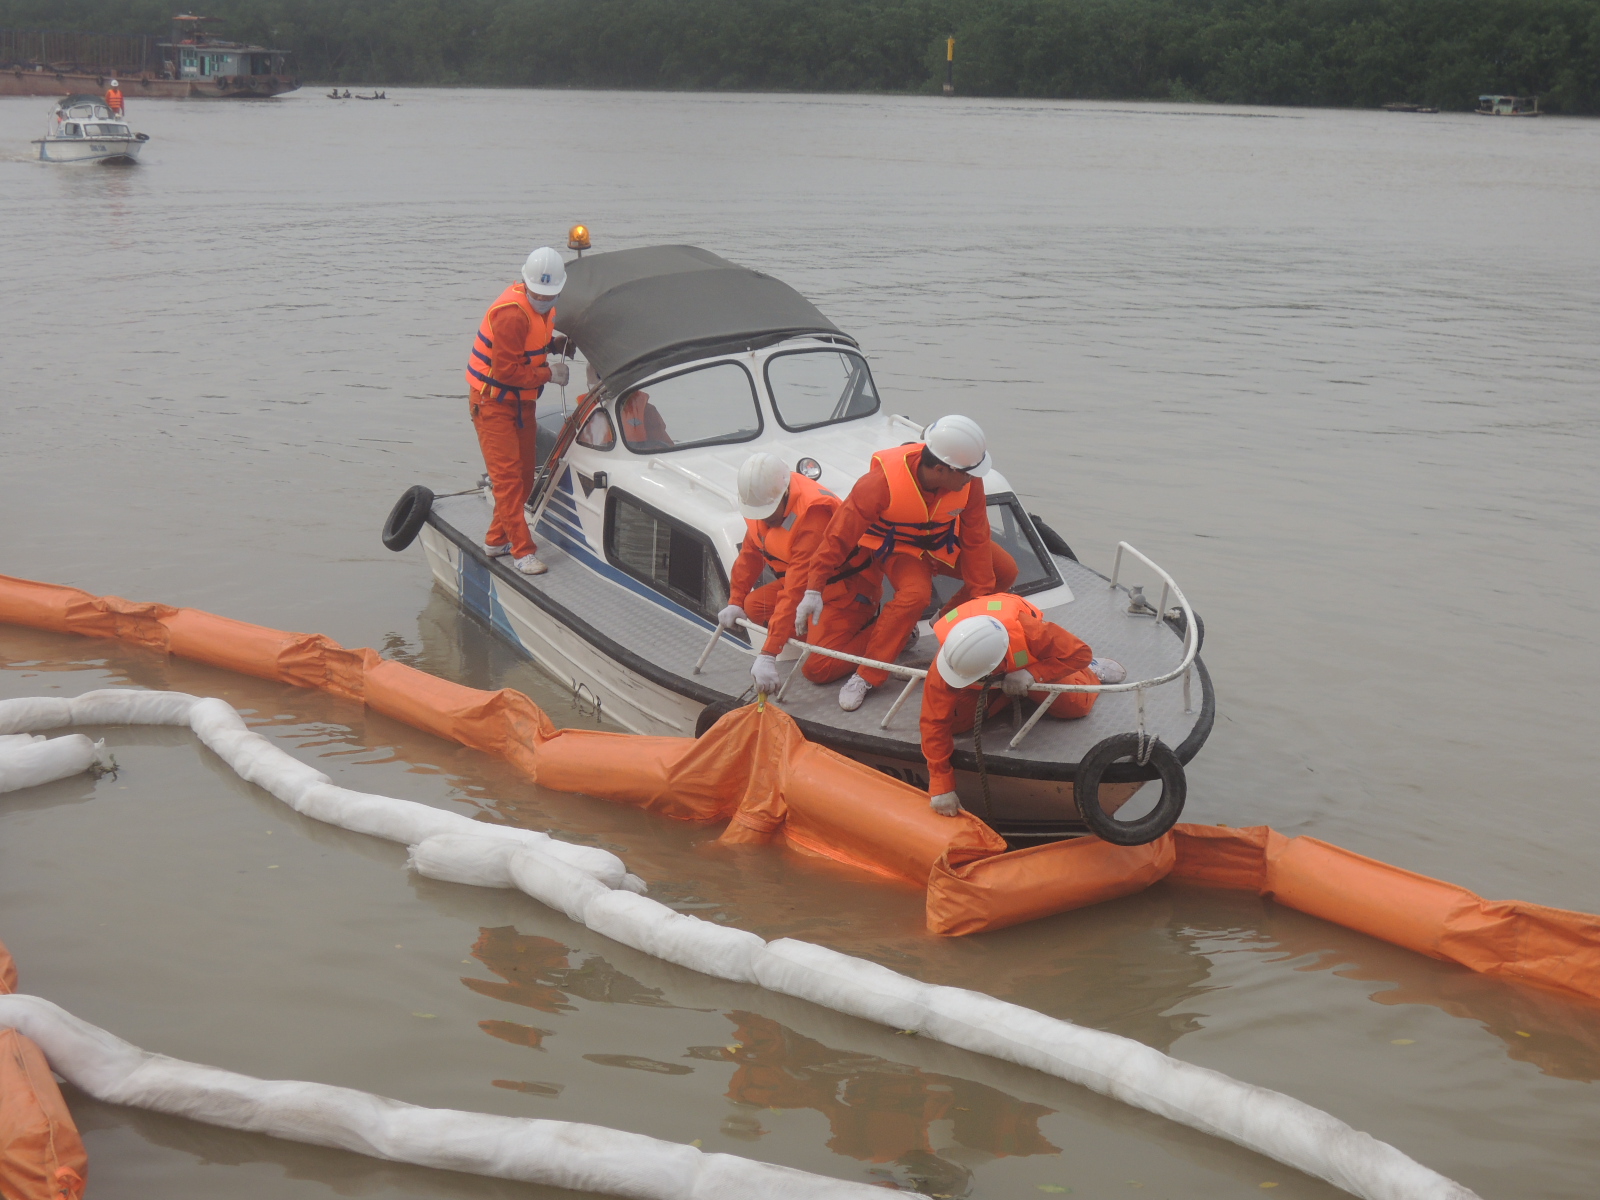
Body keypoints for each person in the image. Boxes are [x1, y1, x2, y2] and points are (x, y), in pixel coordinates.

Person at [799, 415, 1017, 712]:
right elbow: (837, 538)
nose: (973, 478)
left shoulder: (969, 479)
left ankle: (945, 620)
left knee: (1004, 572)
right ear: (940, 469)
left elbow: (977, 537)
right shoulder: (878, 484)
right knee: (915, 595)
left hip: (944, 542)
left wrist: (980, 604)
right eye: (967, 474)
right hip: (899, 548)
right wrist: (813, 588)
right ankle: (868, 674)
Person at [921, 594, 1125, 816]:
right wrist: (941, 785)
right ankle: (1008, 695)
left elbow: (1080, 653)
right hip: (994, 673)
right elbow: (934, 720)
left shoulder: (1032, 632)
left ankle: (1090, 673)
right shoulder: (951, 658)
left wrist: (1033, 674)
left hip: (1028, 663)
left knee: (1075, 704)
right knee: (955, 721)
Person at [720, 454, 880, 694]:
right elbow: (750, 555)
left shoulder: (813, 517)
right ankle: (822, 639)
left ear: (785, 494)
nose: (764, 517)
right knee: (753, 606)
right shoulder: (763, 502)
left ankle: (889, 633)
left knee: (818, 668)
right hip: (807, 588)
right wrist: (735, 600)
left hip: (845, 592)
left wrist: (768, 653)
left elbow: (795, 591)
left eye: (768, 511)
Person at [464, 245, 571, 576]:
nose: (543, 299)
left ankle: (497, 540)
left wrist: (552, 345)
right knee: (508, 480)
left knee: (524, 477)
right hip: (493, 403)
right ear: (526, 285)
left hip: (521, 403)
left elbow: (528, 343)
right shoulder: (511, 314)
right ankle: (523, 551)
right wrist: (549, 374)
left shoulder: (541, 310)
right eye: (538, 294)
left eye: (549, 295)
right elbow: (506, 371)